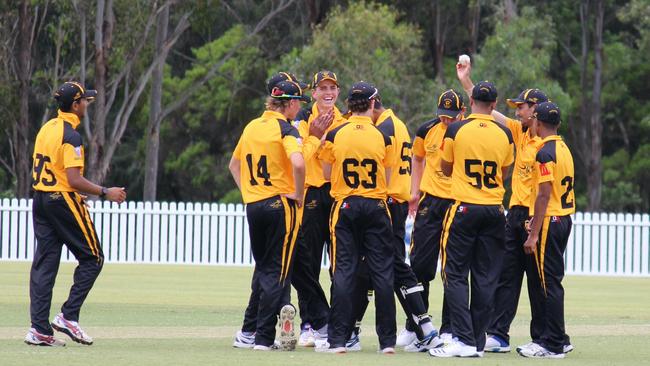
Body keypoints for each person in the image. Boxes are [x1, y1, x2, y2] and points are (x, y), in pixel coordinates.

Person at [456, 62, 573, 354]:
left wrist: (534, 229)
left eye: (521, 107)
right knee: (507, 275)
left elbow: (547, 193)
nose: (517, 111)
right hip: (517, 214)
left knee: (539, 280)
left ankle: (549, 337)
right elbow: (486, 111)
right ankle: (499, 334)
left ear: (535, 110)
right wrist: (467, 81)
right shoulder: (520, 133)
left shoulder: (548, 145)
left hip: (537, 216)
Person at [25, 81, 127, 347]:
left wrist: (67, 191)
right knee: (93, 257)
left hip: (41, 198)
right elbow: (73, 178)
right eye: (85, 101)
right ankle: (68, 316)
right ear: (75, 105)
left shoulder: (47, 128)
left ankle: (39, 329)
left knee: (45, 264)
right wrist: (105, 191)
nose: (87, 105)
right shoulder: (71, 135)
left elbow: (52, 170)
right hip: (60, 199)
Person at [345, 94, 438, 352]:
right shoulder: (396, 123)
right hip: (394, 203)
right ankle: (354, 330)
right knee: (374, 269)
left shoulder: (382, 129)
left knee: (394, 268)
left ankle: (425, 328)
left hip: (387, 204)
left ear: (373, 105)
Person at [429, 81, 514, 358]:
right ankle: (477, 341)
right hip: (494, 209)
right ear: (495, 104)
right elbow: (506, 169)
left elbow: (444, 166)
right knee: (485, 278)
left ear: (472, 102)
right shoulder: (504, 133)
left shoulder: (456, 128)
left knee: (454, 274)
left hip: (464, 207)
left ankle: (463, 339)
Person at [315, 81, 397, 354]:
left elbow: (326, 175)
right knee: (383, 273)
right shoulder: (383, 136)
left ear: (348, 106)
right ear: (373, 104)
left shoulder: (336, 134)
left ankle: (338, 340)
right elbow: (386, 177)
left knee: (344, 272)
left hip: (346, 206)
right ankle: (387, 342)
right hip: (375, 205)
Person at [229, 80, 308, 351]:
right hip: (279, 205)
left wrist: (249, 193)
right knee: (278, 272)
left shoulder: (252, 126)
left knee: (264, 270)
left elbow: (234, 165)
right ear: (289, 103)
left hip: (255, 205)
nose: (299, 108)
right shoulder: (285, 128)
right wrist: (298, 194)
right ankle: (263, 338)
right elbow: (298, 162)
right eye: (298, 102)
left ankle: (250, 332)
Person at [401, 90, 466, 348]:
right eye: (443, 116)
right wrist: (414, 192)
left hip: (456, 201)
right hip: (430, 201)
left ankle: (450, 328)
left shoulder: (466, 132)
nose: (447, 121)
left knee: (453, 268)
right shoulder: (426, 129)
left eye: (452, 117)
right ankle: (416, 324)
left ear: (462, 112)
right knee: (419, 265)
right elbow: (417, 158)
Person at [291, 70, 346, 347]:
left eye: (332, 88)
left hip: (336, 194)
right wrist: (317, 137)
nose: (328, 92)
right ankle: (309, 324)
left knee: (338, 263)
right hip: (312, 193)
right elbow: (300, 156)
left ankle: (335, 324)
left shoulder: (345, 119)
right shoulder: (302, 119)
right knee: (309, 261)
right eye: (322, 87)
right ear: (313, 92)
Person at [518, 102, 575, 359]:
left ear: (538, 123)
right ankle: (557, 338)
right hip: (564, 219)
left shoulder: (544, 153)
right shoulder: (564, 148)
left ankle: (553, 343)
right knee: (551, 280)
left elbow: (543, 195)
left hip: (550, 220)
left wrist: (533, 234)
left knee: (547, 283)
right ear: (558, 124)